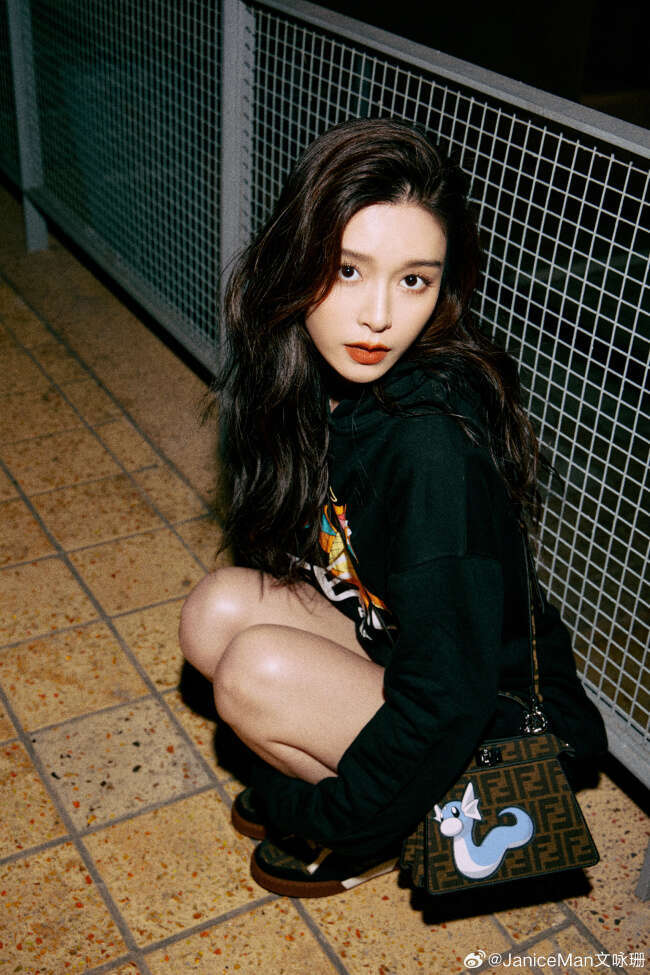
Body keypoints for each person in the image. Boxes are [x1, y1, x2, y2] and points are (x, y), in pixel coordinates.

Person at [179, 118, 606, 898]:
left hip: (497, 725)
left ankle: (379, 832)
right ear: (298, 258)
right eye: (348, 270)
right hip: (401, 654)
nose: (378, 315)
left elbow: (448, 698)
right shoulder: (306, 379)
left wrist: (315, 807)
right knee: (215, 610)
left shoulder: (432, 449)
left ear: (445, 286)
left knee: (251, 673)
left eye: (414, 279)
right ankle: (364, 785)